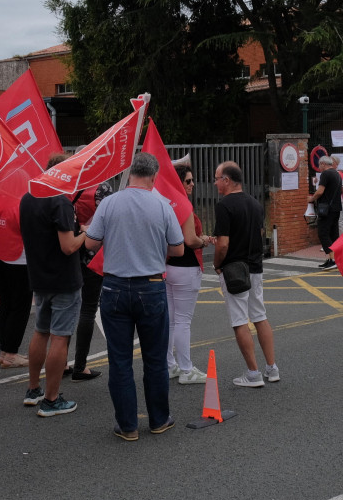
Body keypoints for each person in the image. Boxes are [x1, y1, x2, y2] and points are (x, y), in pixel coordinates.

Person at [85, 152, 183, 440]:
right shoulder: (163, 205)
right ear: (153, 176)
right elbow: (177, 249)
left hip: (114, 287)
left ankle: (127, 426)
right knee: (154, 359)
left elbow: (91, 243)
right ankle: (159, 420)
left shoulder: (110, 203)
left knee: (120, 361)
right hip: (151, 286)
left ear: (129, 174)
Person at [19, 159, 85, 417]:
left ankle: (33, 389)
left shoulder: (28, 196)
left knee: (41, 331)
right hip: (63, 278)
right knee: (60, 336)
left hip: (39, 276)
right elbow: (68, 245)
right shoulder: (59, 200)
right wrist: (85, 234)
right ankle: (52, 399)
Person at [213, 161, 279, 387]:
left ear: (227, 180)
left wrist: (216, 264)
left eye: (217, 178)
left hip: (234, 270)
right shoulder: (255, 203)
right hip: (255, 267)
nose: (215, 183)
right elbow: (260, 232)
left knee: (239, 321)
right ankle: (272, 368)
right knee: (260, 316)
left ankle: (253, 374)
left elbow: (222, 244)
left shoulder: (224, 206)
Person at [165, 162, 212, 385]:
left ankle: (170, 365)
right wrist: (204, 241)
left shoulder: (166, 202)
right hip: (186, 267)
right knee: (183, 321)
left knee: (171, 320)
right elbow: (190, 240)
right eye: (188, 181)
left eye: (193, 180)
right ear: (179, 182)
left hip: (168, 266)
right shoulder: (183, 205)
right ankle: (186, 369)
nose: (193, 184)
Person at [70, 171, 114, 382]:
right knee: (88, 309)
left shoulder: (68, 189)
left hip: (71, 253)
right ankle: (80, 366)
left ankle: (61, 361)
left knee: (68, 309)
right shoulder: (102, 188)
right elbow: (110, 220)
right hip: (94, 256)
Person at [0, 198, 32, 368]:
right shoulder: (24, 204)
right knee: (20, 308)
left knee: (6, 306)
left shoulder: (0, 202)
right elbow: (31, 234)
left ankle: (5, 352)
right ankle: (11, 354)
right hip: (19, 260)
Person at [306, 155, 342, 269]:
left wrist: (312, 199)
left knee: (323, 233)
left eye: (319, 165)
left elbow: (320, 191)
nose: (319, 168)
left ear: (323, 164)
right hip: (336, 207)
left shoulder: (325, 174)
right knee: (333, 233)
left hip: (327, 209)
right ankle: (332, 259)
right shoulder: (337, 174)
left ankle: (332, 260)